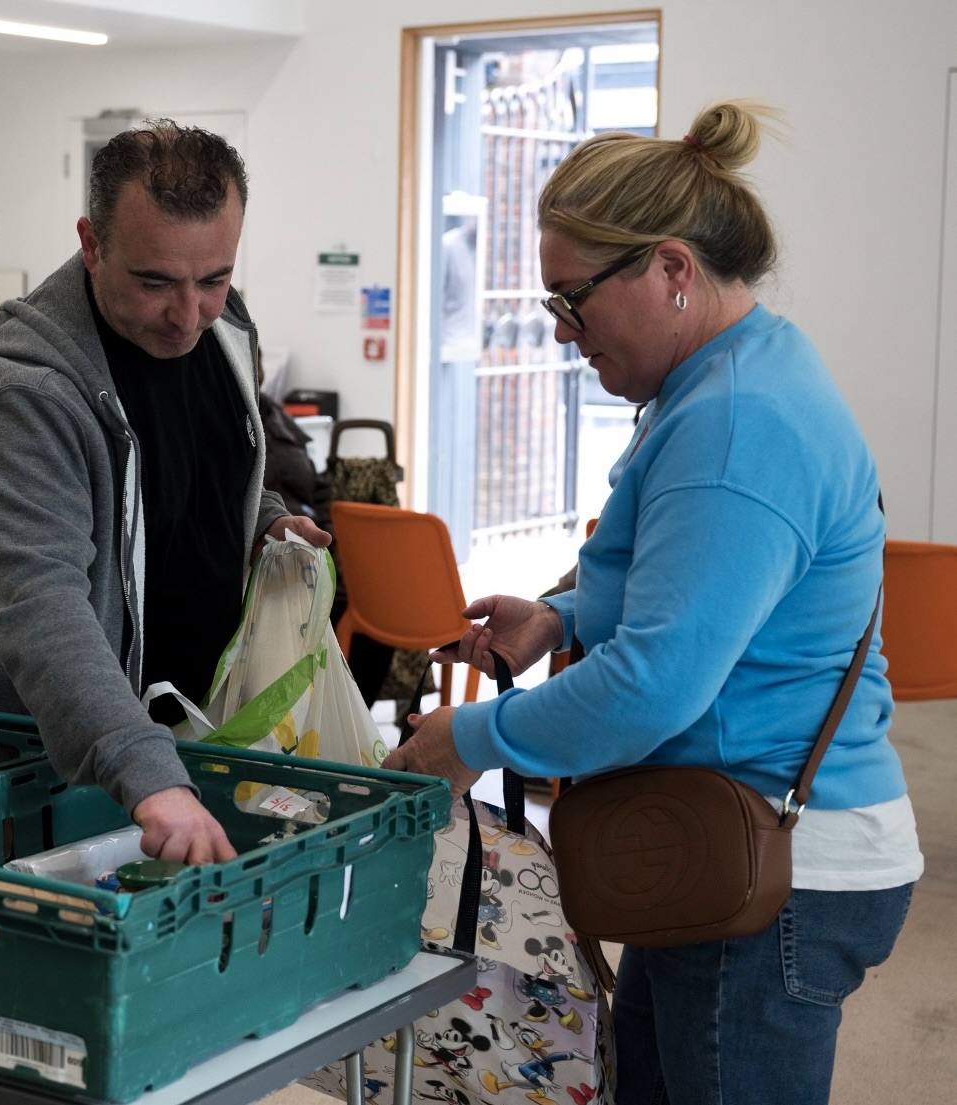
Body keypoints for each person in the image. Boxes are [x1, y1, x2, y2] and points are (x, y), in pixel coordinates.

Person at [384, 100, 923, 1105]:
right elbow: (700, 582)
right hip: (724, 841)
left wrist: (472, 734)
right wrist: (564, 613)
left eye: (571, 300)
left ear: (673, 270)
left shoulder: (732, 424)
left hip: (767, 867)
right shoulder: (731, 375)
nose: (561, 334)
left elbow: (651, 688)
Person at [0, 119, 328, 867]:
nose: (187, 314)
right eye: (154, 283)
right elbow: (36, 597)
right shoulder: (33, 385)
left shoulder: (224, 327)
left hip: (190, 736)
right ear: (91, 244)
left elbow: (189, 474)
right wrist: (144, 768)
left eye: (213, 278)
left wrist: (265, 523)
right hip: (48, 766)